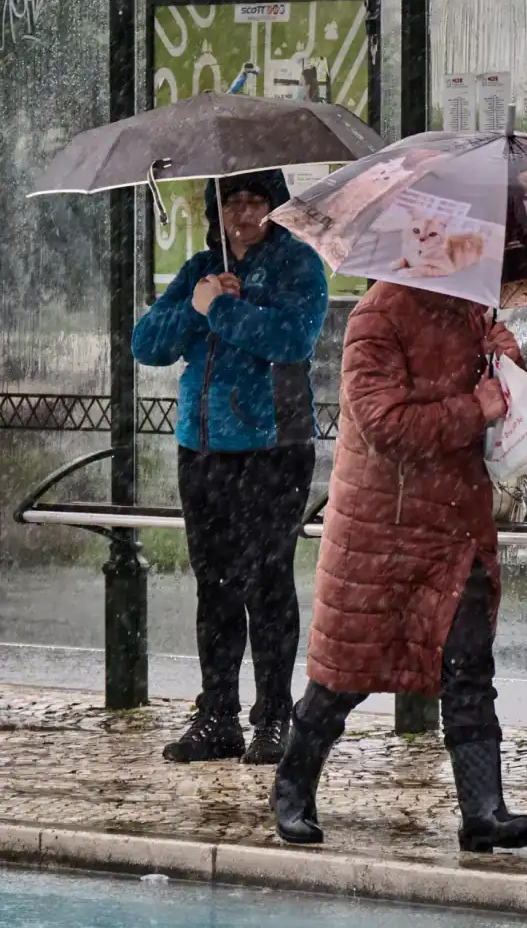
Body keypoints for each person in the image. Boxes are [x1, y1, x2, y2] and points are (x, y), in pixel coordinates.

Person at [270, 282, 527, 854]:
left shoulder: (472, 311)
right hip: (384, 533)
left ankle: (483, 811)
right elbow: (383, 426)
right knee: (343, 674)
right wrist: (475, 407)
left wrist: (506, 365)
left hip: (456, 527)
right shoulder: (377, 316)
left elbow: (499, 414)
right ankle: (293, 787)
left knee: (469, 669)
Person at [132, 170, 328, 766]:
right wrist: (200, 306)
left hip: (274, 449)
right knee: (213, 586)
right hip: (203, 448)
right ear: (216, 208)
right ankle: (217, 715)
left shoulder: (299, 265)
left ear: (277, 207)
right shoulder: (200, 267)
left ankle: (273, 717)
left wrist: (223, 311)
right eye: (233, 200)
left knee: (267, 584)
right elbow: (148, 345)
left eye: (257, 200)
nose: (244, 212)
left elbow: (292, 339)